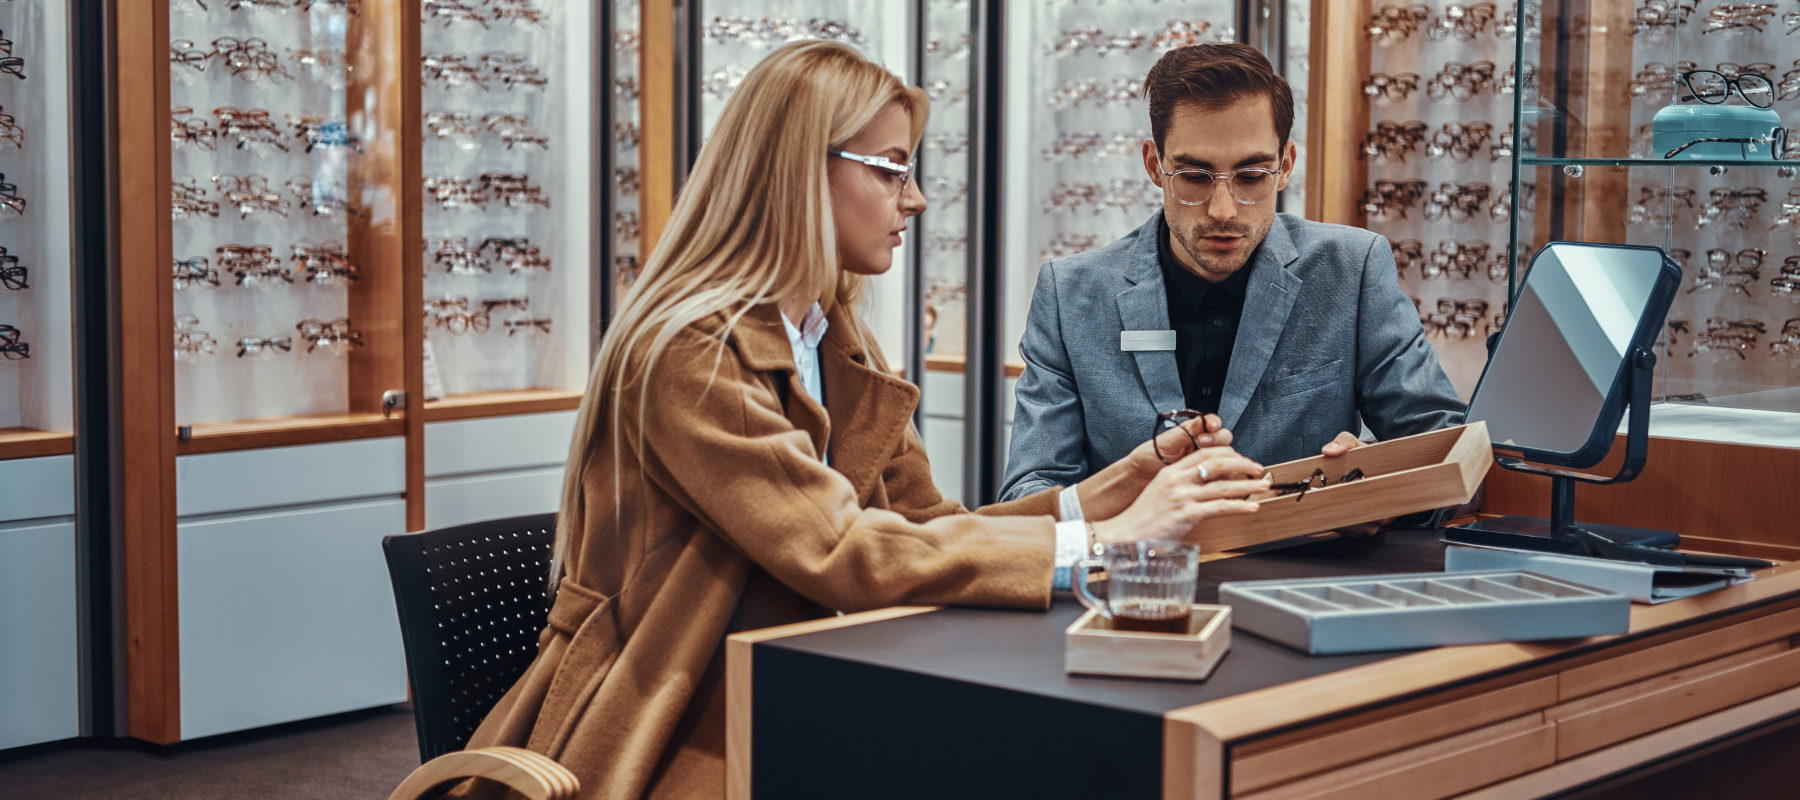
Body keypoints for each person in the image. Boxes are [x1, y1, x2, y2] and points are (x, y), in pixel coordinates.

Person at [451, 41, 1269, 800]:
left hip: (804, 680)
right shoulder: (686, 351)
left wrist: (1108, 492)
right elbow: (839, 548)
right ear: (796, 172)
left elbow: (928, 528)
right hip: (671, 719)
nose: (913, 199)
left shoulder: (835, 336)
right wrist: (1113, 543)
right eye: (890, 170)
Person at [1000, 42, 1465, 505]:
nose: (1222, 211)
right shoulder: (1071, 294)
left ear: (1284, 167)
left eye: (1250, 176)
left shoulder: (1352, 270)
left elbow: (1447, 448)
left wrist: (1369, 485)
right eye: (1195, 177)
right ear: (1153, 165)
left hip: (1298, 572)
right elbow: (1029, 494)